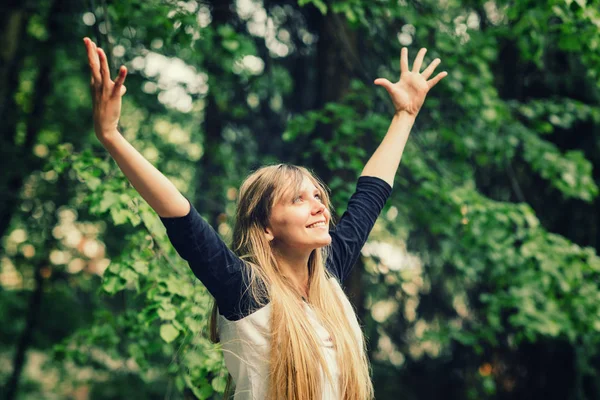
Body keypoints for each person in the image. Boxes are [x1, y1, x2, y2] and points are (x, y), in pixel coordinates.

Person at [83, 36, 446, 400]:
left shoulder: (329, 273)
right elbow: (180, 216)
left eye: (318, 196)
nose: (319, 206)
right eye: (298, 200)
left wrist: (405, 115)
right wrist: (112, 136)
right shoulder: (245, 290)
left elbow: (371, 194)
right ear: (267, 227)